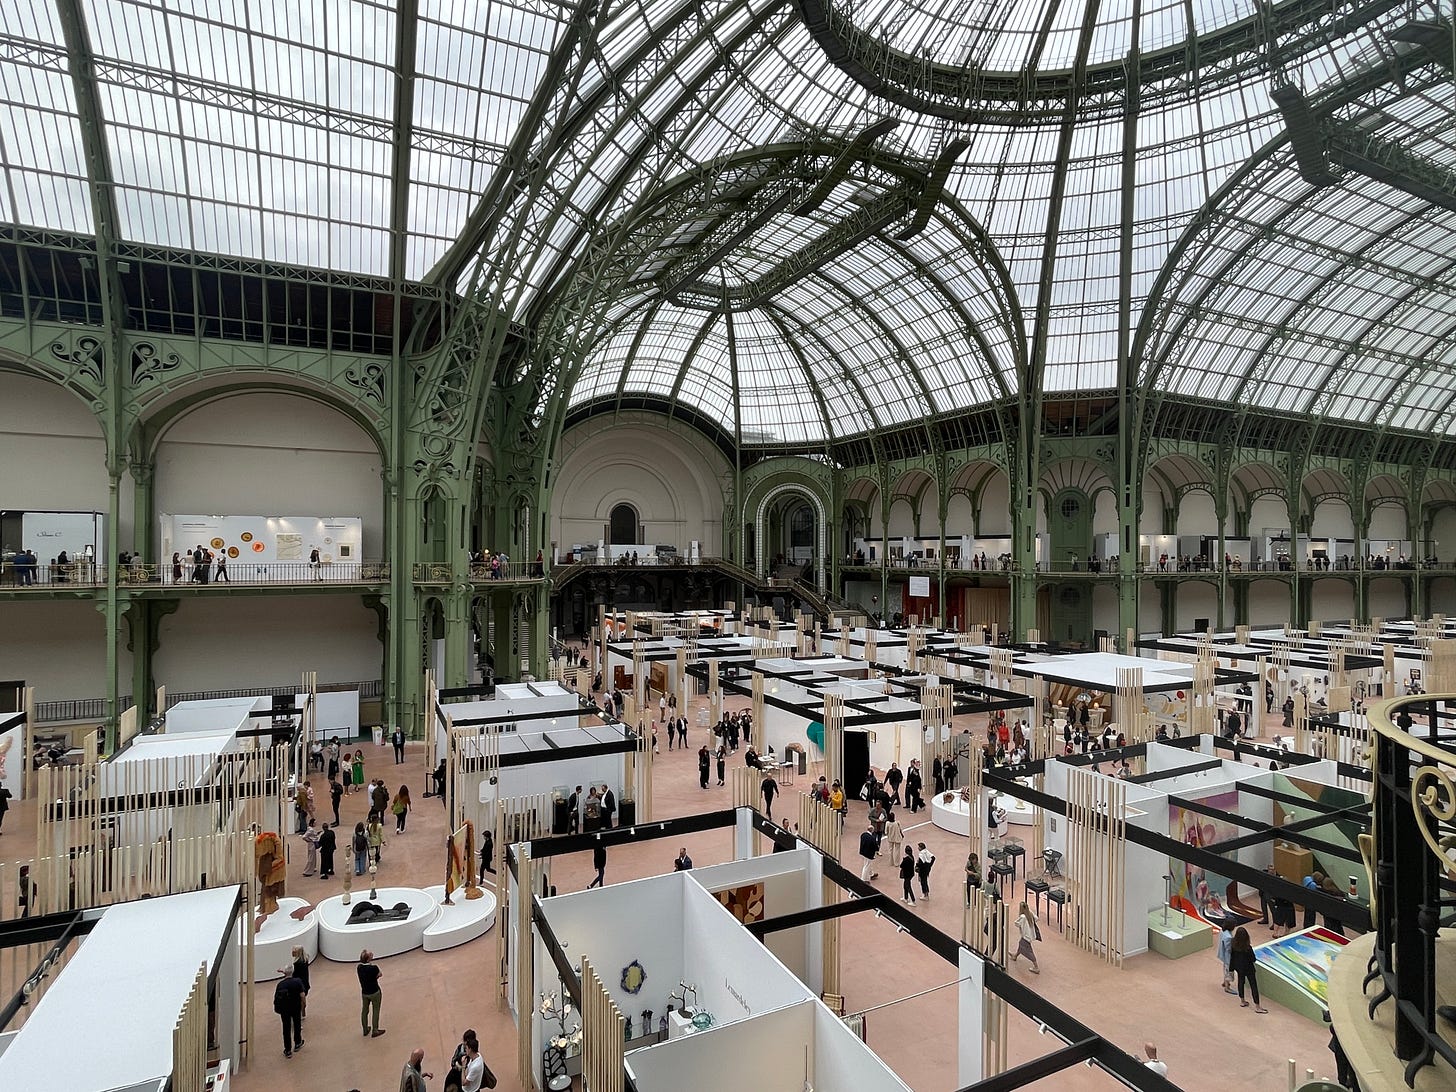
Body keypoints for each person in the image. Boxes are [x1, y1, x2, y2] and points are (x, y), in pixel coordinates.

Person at [1229, 927, 1267, 1012]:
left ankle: (1242, 1001)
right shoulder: (1248, 948)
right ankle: (1257, 1006)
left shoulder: (1233, 945)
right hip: (1249, 968)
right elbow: (1253, 959)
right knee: (1253, 985)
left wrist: (1232, 968)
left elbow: (1232, 957)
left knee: (1240, 982)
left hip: (1239, 968)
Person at [273, 970, 306, 1057]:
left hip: (285, 1009)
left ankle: (287, 1050)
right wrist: (303, 1005)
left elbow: (277, 998)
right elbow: (302, 995)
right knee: (297, 1025)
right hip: (296, 1008)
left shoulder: (280, 984)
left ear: (285, 973)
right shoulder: (297, 982)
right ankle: (298, 1043)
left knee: (286, 1028)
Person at [358, 949, 385, 1037]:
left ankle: (365, 1029)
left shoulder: (359, 968)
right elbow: (379, 974)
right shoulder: (374, 968)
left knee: (364, 1011)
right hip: (374, 992)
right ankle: (375, 1030)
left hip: (365, 993)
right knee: (376, 1010)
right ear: (368, 959)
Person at [1012, 901, 1040, 973]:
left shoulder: (1022, 917)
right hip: (1031, 935)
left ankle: (1036, 967)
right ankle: (1015, 956)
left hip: (1026, 936)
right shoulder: (1030, 913)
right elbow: (1037, 918)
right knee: (1021, 945)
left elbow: (1016, 923)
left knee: (1028, 950)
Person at [1218, 923, 1236, 994]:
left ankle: (1225, 982)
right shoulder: (1228, 937)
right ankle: (1227, 987)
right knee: (1228, 971)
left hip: (1223, 954)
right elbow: (1229, 949)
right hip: (1228, 957)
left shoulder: (1223, 931)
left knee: (1225, 969)